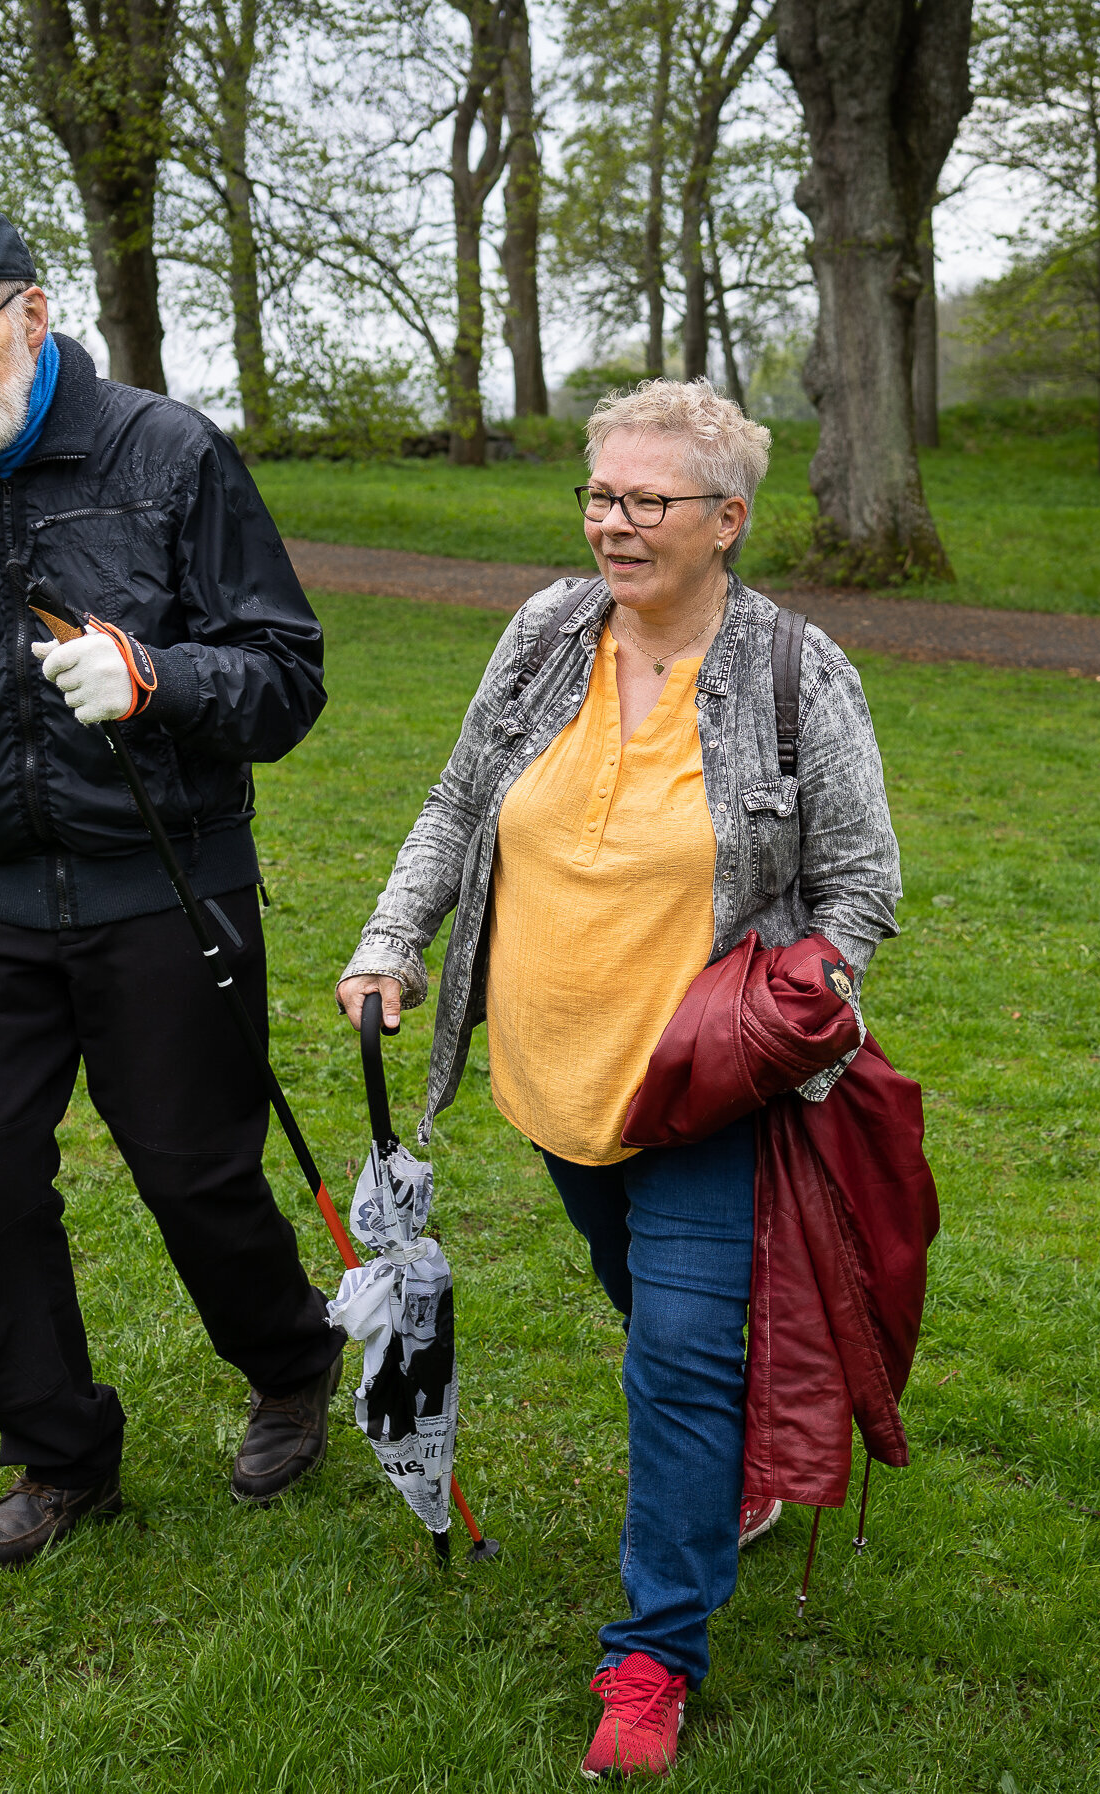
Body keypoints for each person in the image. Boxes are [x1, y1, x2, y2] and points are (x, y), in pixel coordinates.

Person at [335, 380, 901, 1778]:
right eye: (601, 494)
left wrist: (795, 1002)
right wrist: (393, 942)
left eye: (651, 499)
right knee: (657, 1303)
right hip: (555, 1076)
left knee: (677, 1358)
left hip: (705, 1086)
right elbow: (461, 800)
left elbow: (861, 883)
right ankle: (739, 1463)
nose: (616, 521)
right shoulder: (544, 635)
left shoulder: (795, 673)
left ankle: (651, 1657)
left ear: (729, 519)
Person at [0, 192, 344, 1578]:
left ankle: (292, 1363)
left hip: (163, 878)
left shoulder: (168, 457)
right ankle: (59, 1458)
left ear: (33, 312)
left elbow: (286, 675)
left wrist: (156, 678)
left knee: (194, 1169)